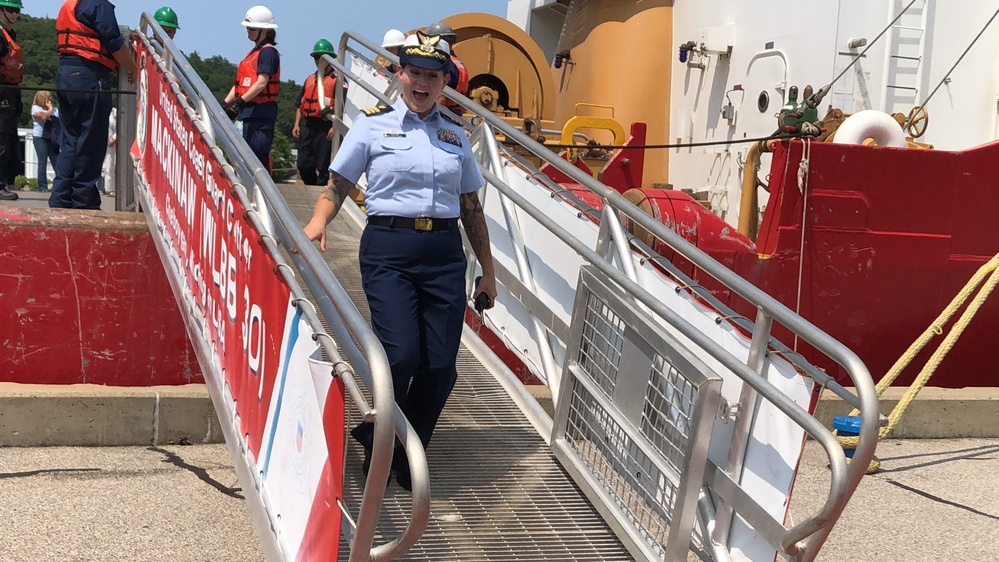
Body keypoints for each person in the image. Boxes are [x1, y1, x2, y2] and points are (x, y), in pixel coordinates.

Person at [304, 31, 497, 491]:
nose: (423, 83)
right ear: (400, 74)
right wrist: (318, 221)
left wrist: (488, 272)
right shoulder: (373, 125)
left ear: (445, 81)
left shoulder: (455, 135)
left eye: (434, 76)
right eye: (415, 73)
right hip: (388, 250)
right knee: (401, 355)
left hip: (445, 255)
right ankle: (384, 441)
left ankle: (409, 448)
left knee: (440, 367)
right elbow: (337, 183)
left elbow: (470, 207)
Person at [50, 0, 137, 210]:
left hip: (65, 73)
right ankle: (84, 200)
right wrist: (132, 66)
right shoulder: (98, 5)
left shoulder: (69, 5)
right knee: (91, 141)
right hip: (89, 75)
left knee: (71, 141)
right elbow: (114, 42)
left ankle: (60, 198)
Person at [223, 5, 279, 172]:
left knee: (257, 155)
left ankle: (263, 193)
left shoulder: (268, 52)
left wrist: (240, 102)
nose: (248, 31)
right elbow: (240, 84)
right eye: (247, 28)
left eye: (252, 28)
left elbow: (262, 82)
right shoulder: (253, 53)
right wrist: (226, 103)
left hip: (261, 113)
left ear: (264, 30)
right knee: (246, 155)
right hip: (248, 112)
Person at [292, 39, 337, 185]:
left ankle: (320, 191)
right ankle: (311, 186)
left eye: (322, 57)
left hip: (325, 126)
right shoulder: (309, 79)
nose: (318, 61)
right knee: (303, 164)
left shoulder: (337, 80)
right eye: (316, 57)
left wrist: (334, 126)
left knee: (324, 165)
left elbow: (343, 108)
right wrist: (296, 124)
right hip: (308, 125)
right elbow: (300, 103)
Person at [0, 0, 22, 202]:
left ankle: (5, 180)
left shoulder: (9, 35)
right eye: (11, 10)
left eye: (17, 11)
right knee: (1, 141)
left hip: (10, 92)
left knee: (8, 139)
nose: (15, 15)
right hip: (2, 91)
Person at [426, 21, 467, 116]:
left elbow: (440, 97)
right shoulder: (457, 63)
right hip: (456, 114)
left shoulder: (445, 64)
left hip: (444, 115)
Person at [31, 90, 59, 193]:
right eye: (48, 96)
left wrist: (51, 109)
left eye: (51, 96)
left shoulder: (55, 110)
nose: (50, 98)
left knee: (57, 162)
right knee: (42, 162)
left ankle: (59, 185)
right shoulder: (35, 108)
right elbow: (43, 117)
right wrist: (50, 109)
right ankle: (42, 186)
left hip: (52, 138)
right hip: (40, 137)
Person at [100, 106, 115, 195]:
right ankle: (104, 188)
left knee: (112, 166)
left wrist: (114, 138)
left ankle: (112, 188)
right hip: (101, 142)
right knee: (104, 166)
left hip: (112, 142)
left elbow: (119, 126)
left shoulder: (114, 112)